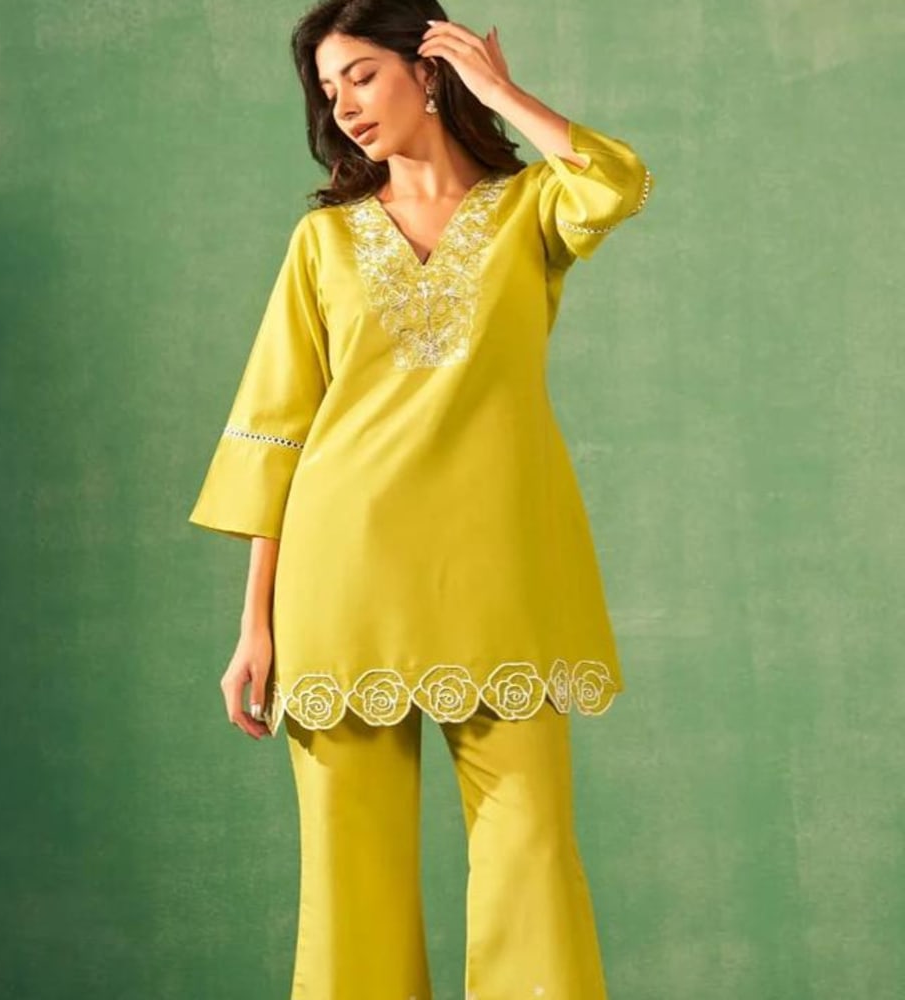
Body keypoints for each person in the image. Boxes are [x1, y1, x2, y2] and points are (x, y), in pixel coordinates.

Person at [188, 2, 655, 997]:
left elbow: (615, 183)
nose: (345, 107)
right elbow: (276, 431)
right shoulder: (323, 242)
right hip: (341, 577)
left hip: (501, 572)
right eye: (328, 92)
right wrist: (253, 624)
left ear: (429, 67)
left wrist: (503, 92)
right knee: (348, 872)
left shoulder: (531, 210)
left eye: (361, 75)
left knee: (532, 856)